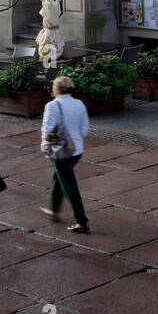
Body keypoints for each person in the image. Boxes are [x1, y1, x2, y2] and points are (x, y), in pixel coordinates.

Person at [40, 75, 90, 233]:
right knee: (59, 176)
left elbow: (48, 130)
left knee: (69, 185)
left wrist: (50, 150)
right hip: (77, 150)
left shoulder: (53, 106)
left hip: (61, 151)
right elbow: (84, 129)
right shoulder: (79, 103)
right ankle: (54, 209)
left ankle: (81, 221)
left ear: (57, 89)